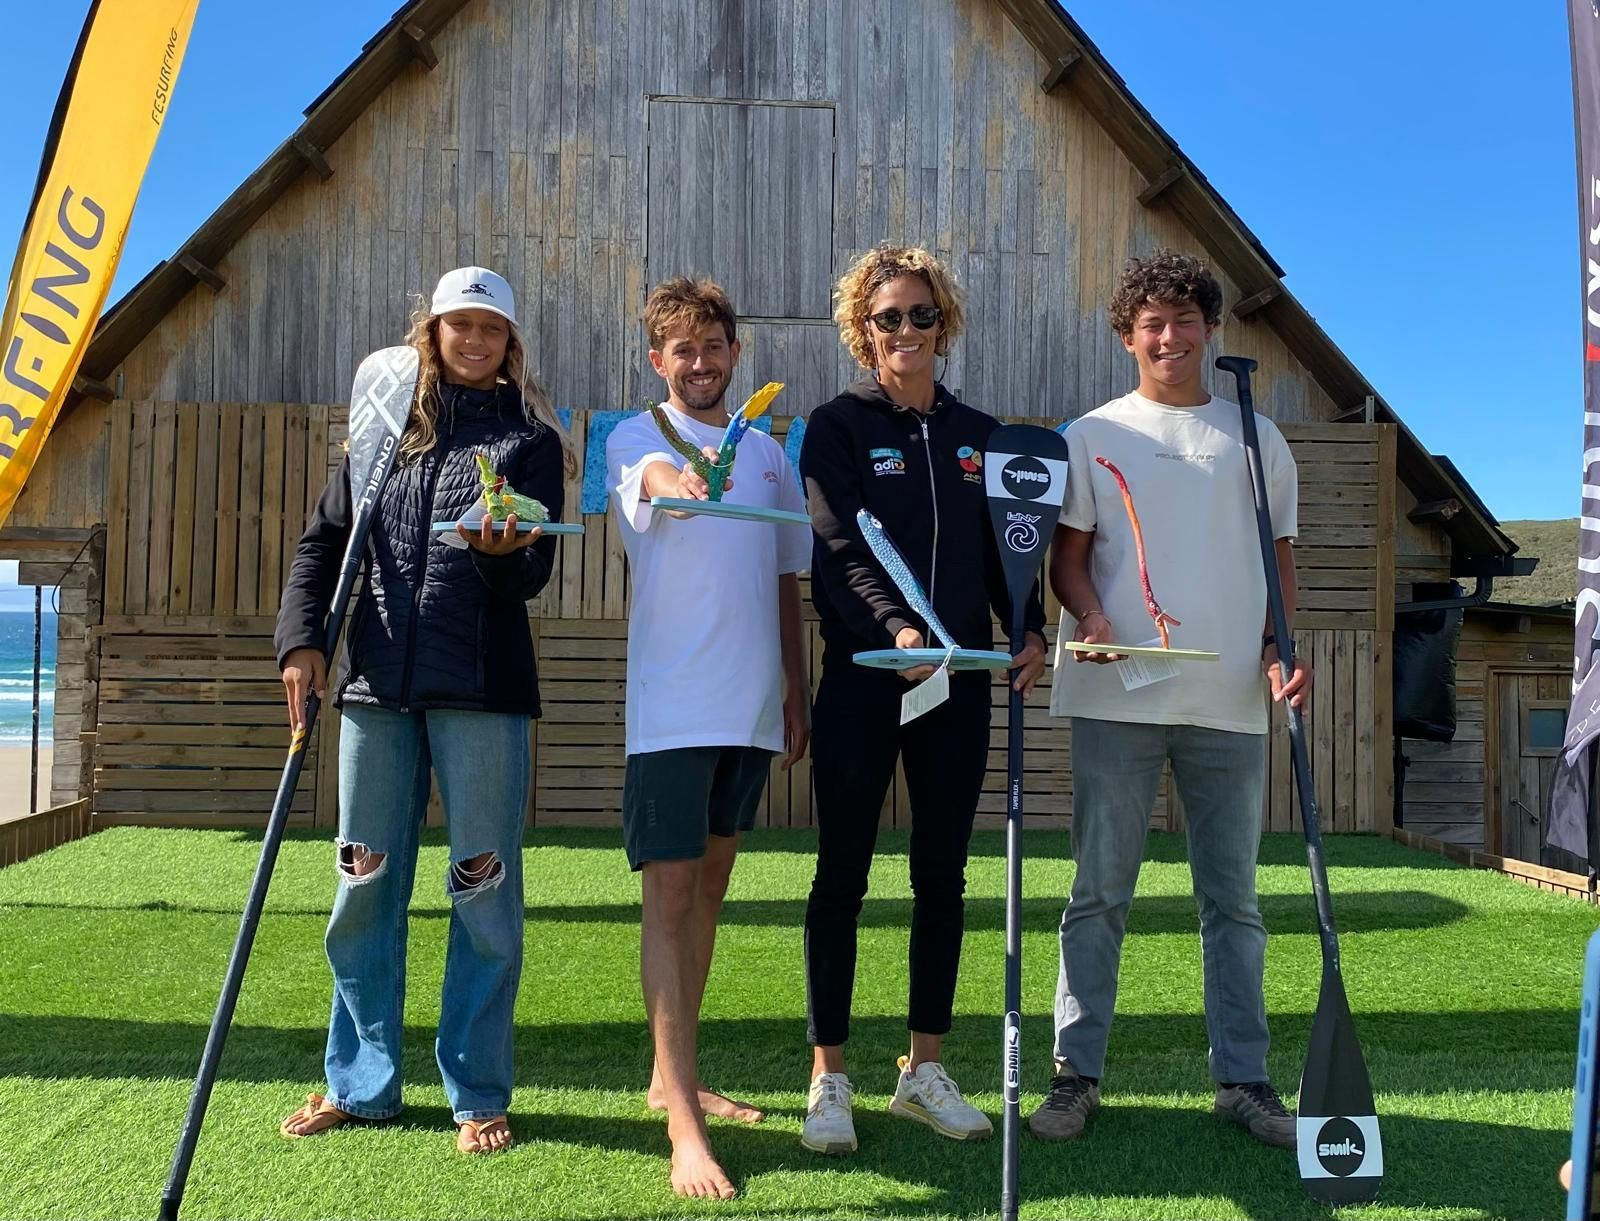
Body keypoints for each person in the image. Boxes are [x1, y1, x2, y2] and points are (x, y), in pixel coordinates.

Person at [273, 266, 571, 1154]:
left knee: (482, 889)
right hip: (373, 692)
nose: (473, 340)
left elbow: (532, 572)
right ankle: (359, 1081)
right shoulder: (383, 436)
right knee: (362, 886)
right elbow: (325, 541)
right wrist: (302, 640)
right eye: (457, 325)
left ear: (508, 341)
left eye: (489, 327)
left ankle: (476, 1087)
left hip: (483, 694)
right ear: (432, 332)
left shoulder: (530, 443)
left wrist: (499, 552)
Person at [1026, 248, 1310, 1149]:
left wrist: (1278, 649)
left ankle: (1244, 1078)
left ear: (1210, 330)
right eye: (1152, 322)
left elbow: (1282, 561)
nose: (1170, 336)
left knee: (1234, 899)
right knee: (1099, 891)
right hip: (1117, 693)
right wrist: (1093, 612)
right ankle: (1076, 1075)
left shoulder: (1257, 438)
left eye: (1186, 320)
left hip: (1228, 696)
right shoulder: (1092, 433)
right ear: (1126, 336)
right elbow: (1067, 557)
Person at [797, 244, 1048, 1156]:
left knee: (943, 877)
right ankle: (829, 1077)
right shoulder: (833, 425)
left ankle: (922, 1070)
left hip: (960, 686)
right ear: (862, 330)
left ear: (947, 323)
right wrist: (896, 630)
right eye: (887, 317)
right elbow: (838, 546)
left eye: (922, 314)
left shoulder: (984, 434)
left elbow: (1012, 551)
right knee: (843, 878)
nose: (906, 331)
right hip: (868, 676)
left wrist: (1030, 628)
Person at [605, 275, 810, 1199]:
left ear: (734, 354)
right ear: (659, 361)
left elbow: (783, 578)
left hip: (753, 706)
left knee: (715, 887)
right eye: (681, 350)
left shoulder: (768, 452)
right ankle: (684, 1127)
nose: (699, 363)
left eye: (713, 347)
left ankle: (670, 1077)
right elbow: (653, 486)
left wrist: (796, 690)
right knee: (670, 895)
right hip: (673, 711)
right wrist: (676, 478)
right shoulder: (635, 438)